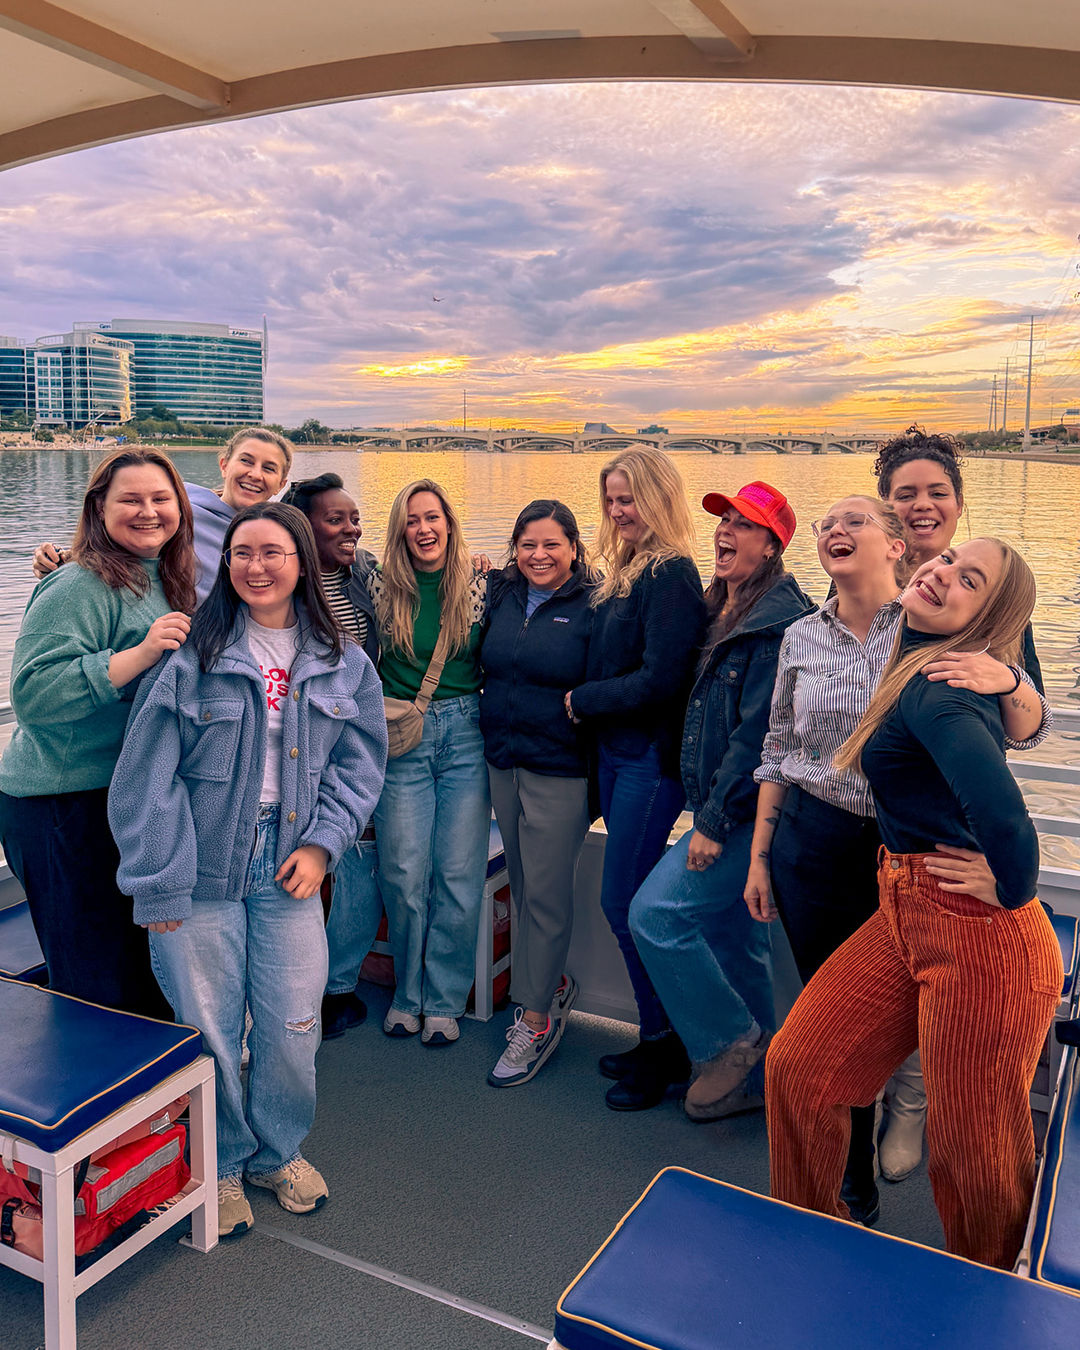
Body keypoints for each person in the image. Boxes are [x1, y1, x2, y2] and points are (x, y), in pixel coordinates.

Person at [745, 496, 1047, 1225]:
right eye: (948, 560)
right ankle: (819, 1230)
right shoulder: (881, 649)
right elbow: (778, 741)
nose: (945, 573)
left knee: (974, 1156)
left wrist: (1011, 888)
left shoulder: (940, 690)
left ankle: (993, 1306)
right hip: (899, 898)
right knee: (799, 1069)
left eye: (969, 579)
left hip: (975, 928)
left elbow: (1007, 818)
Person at [108, 502, 387, 1239]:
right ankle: (224, 1161)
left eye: (272, 552)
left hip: (290, 862)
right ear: (224, 565)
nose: (256, 566)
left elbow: (361, 767)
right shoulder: (191, 657)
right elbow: (145, 779)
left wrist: (325, 843)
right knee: (208, 1026)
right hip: (197, 864)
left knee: (295, 1025)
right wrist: (159, 878)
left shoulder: (343, 663)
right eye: (240, 553)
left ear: (301, 562)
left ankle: (278, 1150)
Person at [873, 425, 1045, 1180]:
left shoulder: (988, 593)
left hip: (939, 831)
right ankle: (871, 1099)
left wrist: (1009, 682)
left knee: (934, 984)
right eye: (905, 493)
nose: (921, 506)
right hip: (870, 819)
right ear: (887, 505)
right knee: (877, 980)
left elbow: (1030, 728)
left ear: (957, 502)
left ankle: (909, 1106)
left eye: (935, 492)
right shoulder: (871, 579)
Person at [628, 482, 814, 1120]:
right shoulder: (720, 607)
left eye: (744, 524)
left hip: (752, 817)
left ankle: (728, 1043)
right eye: (723, 520)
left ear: (772, 546)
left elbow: (758, 733)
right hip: (723, 807)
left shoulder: (777, 625)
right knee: (738, 944)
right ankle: (761, 1087)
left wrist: (710, 820)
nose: (724, 531)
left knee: (654, 915)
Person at [0, 448, 195, 1017]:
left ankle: (155, 1100)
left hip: (121, 796)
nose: (148, 512)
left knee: (136, 962)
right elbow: (33, 694)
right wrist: (138, 655)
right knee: (93, 978)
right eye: (129, 500)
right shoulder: (76, 585)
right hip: (61, 806)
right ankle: (101, 1097)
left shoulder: (161, 576)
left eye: (161, 499)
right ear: (98, 509)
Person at [565, 447, 707, 1110]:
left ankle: (671, 1045)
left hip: (649, 759)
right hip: (618, 758)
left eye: (632, 499)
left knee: (625, 904)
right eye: (613, 500)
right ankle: (657, 1039)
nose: (621, 512)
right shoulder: (624, 569)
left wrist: (584, 700)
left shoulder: (671, 572)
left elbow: (663, 678)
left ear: (660, 498)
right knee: (626, 903)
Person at [369, 479, 490, 1047]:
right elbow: (310, 560)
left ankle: (443, 1000)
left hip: (467, 734)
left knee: (459, 874)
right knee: (403, 871)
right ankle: (406, 996)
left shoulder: (480, 585)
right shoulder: (377, 586)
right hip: (401, 737)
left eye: (433, 517)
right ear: (400, 530)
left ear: (449, 523)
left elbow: (564, 576)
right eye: (412, 520)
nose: (423, 528)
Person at [480, 500, 596, 1086]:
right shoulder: (501, 594)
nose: (539, 556)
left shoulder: (596, 606)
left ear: (575, 548)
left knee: (546, 897)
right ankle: (547, 985)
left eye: (552, 545)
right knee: (524, 887)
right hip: (503, 762)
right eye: (528, 545)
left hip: (559, 770)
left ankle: (536, 1020)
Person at [282, 472, 381, 1040]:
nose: (351, 528)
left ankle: (337, 986)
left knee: (357, 868)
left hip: (349, 750)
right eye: (335, 519)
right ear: (304, 527)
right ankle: (296, 989)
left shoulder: (361, 574)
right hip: (298, 752)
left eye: (353, 518)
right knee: (296, 868)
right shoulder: (282, 585)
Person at [33, 426, 293, 603]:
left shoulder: (282, 535)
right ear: (224, 465)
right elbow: (122, 537)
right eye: (246, 461)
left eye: (269, 468)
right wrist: (63, 558)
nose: (255, 474)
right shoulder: (178, 508)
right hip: (167, 637)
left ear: (281, 484)